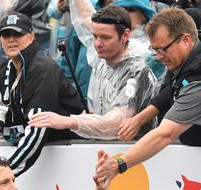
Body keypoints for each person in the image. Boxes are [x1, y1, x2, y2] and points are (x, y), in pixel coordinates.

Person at [97, 7, 201, 181]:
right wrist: (140, 118)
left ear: (186, 40)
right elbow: (166, 89)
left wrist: (119, 164)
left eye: (162, 49)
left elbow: (165, 134)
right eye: (154, 49)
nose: (157, 57)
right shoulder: (194, 51)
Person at [28, 5, 157, 141]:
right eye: (95, 36)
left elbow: (119, 124)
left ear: (125, 35)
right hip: (104, 148)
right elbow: (83, 14)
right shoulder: (102, 64)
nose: (97, 44)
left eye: (105, 38)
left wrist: (70, 121)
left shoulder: (137, 72)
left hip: (138, 153)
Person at [0, 13, 84, 177]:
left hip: (71, 155)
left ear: (31, 36)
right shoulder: (2, 70)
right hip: (42, 151)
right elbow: (18, 117)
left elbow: (37, 128)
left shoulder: (43, 68)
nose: (11, 39)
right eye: (6, 35)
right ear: (0, 40)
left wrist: (4, 174)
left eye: (17, 34)